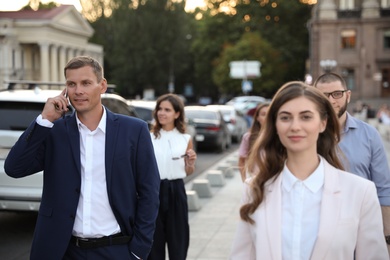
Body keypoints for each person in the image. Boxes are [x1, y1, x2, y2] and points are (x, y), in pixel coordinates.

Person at [4, 56, 160, 260]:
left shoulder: (134, 130)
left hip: (116, 250)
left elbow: (149, 191)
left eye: (86, 83)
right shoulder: (54, 131)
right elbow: (14, 168)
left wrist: (139, 250)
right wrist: (44, 120)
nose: (78, 91)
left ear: (102, 85)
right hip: (63, 251)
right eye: (71, 84)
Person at [230, 81, 388, 259]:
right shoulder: (254, 188)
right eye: (285, 117)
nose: (295, 126)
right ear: (275, 125)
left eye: (306, 117)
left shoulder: (360, 191)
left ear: (322, 123)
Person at [313, 72, 390, 254]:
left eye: (336, 94)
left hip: (360, 229)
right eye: (323, 96)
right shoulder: (307, 135)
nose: (331, 101)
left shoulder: (370, 136)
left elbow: (384, 189)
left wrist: (387, 236)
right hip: (317, 229)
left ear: (348, 95)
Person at [148, 94, 197, 260]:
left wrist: (190, 164)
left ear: (177, 114)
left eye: (167, 110)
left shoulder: (185, 138)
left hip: (176, 190)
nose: (162, 113)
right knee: (154, 241)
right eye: (160, 109)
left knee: (178, 239)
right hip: (153, 191)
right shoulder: (149, 137)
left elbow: (188, 171)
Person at [238, 102, 269, 182]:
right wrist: (245, 180)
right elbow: (241, 161)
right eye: (263, 114)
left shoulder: (280, 137)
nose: (267, 117)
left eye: (270, 114)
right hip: (256, 182)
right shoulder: (248, 137)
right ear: (257, 118)